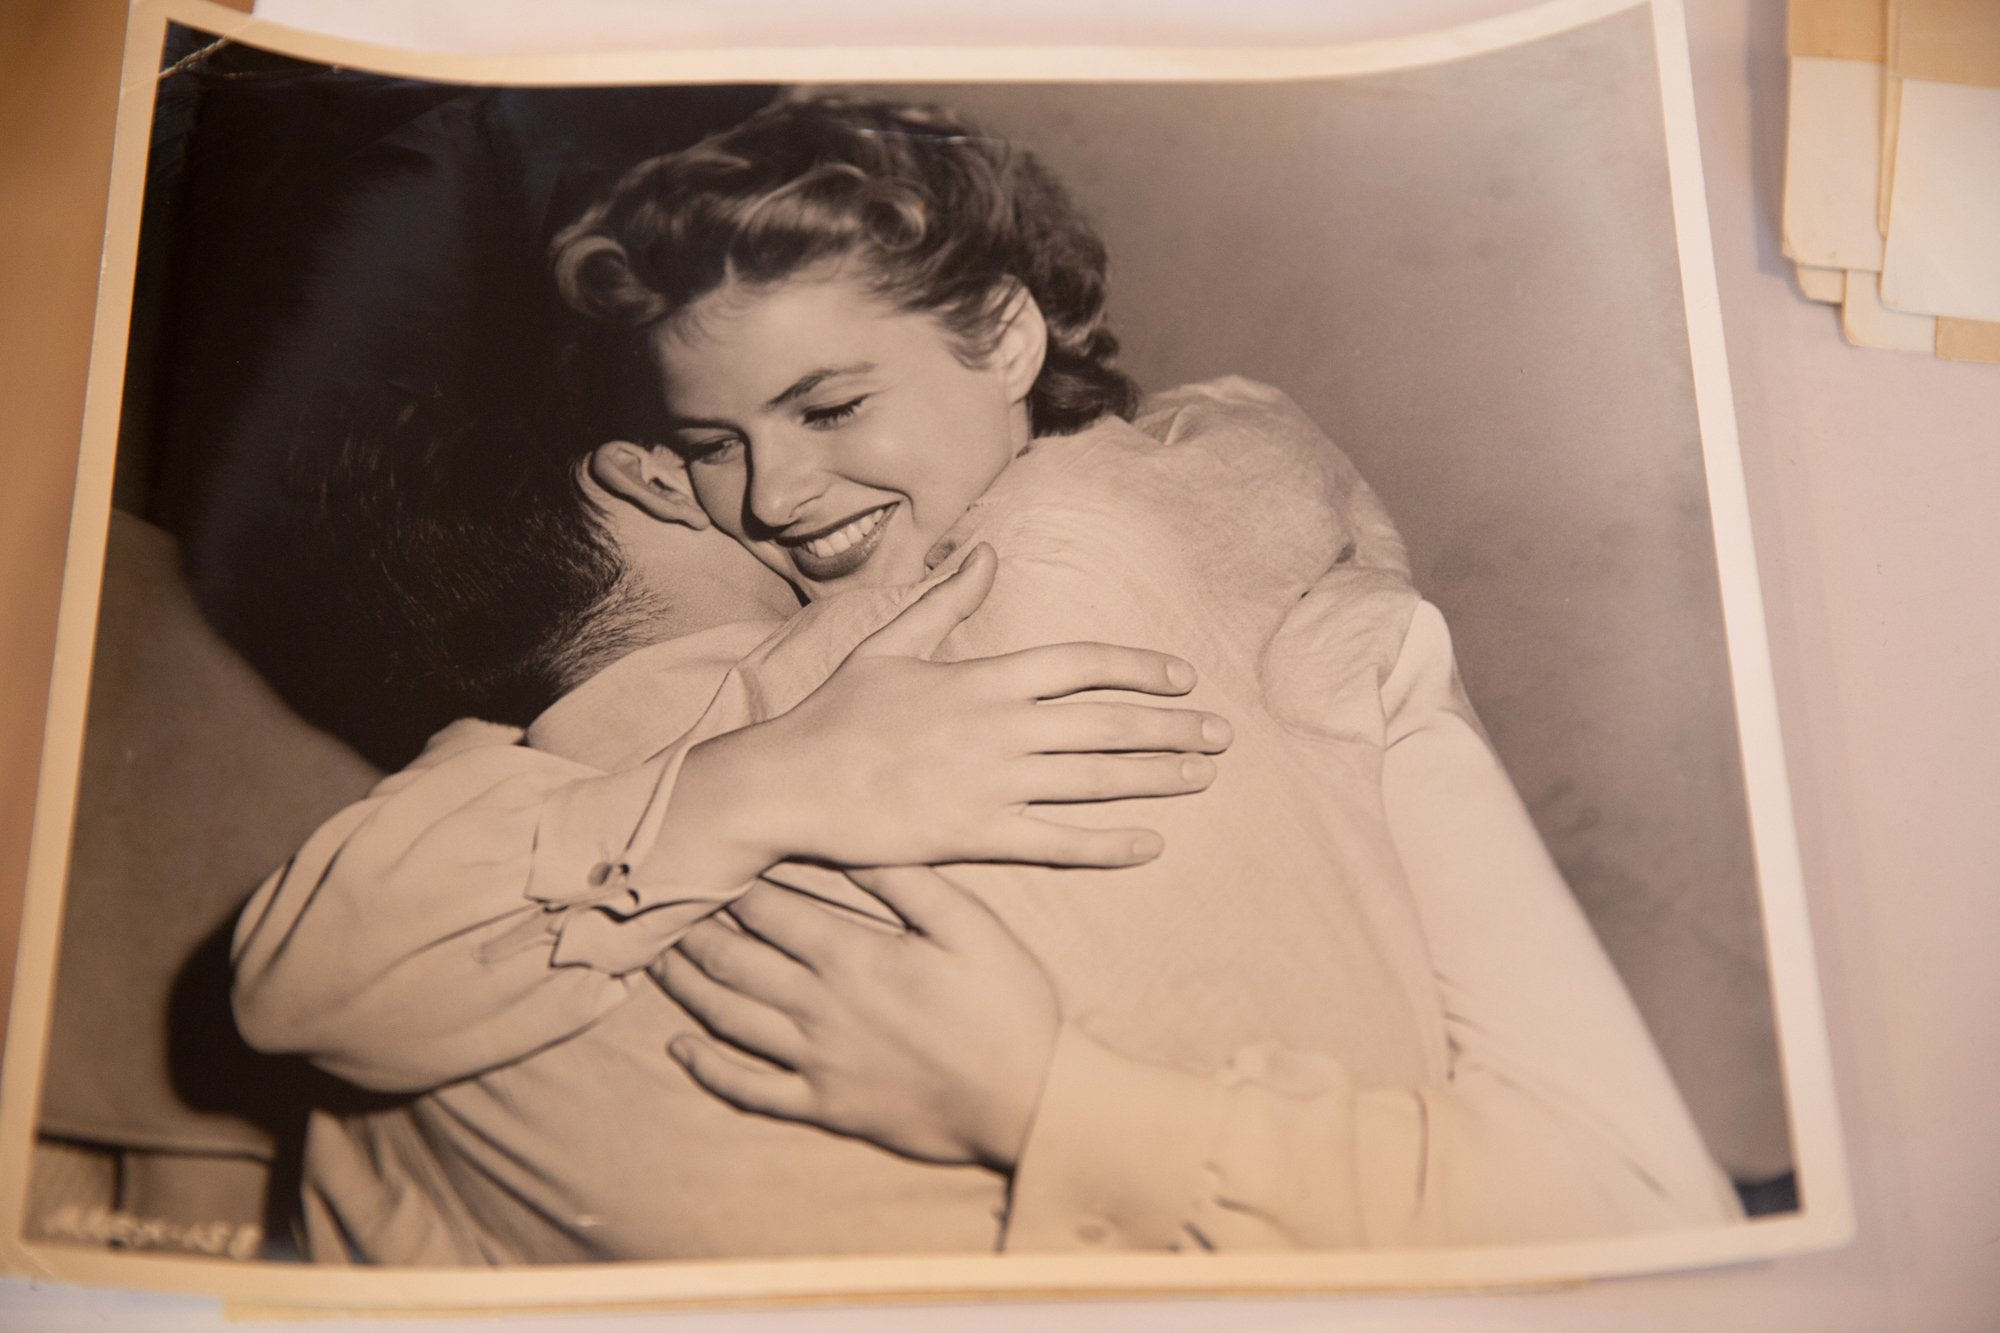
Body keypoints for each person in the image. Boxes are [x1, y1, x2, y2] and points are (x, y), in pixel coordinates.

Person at [234, 97, 1739, 1264]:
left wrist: (1043, 1102)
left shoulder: (1274, 580)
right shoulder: (699, 695)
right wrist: (777, 776)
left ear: (1005, 336)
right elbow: (306, 974)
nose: (771, 494)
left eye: (831, 405)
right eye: (714, 444)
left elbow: (1634, 1195)